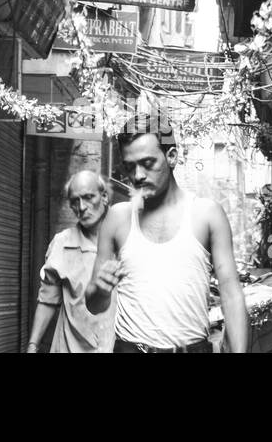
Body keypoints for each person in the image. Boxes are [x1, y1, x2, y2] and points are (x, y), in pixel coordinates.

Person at [86, 132, 249, 353]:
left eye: (147, 163)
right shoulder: (117, 218)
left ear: (171, 156)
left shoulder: (206, 214)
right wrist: (101, 290)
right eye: (129, 167)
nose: (138, 175)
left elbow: (231, 295)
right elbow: (94, 305)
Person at [27, 170, 116, 353]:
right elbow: (47, 300)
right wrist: (32, 345)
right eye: (75, 201)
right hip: (69, 348)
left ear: (104, 196)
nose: (82, 207)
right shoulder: (63, 243)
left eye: (88, 197)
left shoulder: (124, 242)